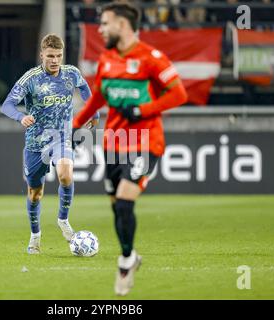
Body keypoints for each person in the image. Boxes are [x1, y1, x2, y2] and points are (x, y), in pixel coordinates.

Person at [72, 2, 188, 296]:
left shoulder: (151, 58)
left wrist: (143, 109)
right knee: (116, 207)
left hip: (146, 142)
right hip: (113, 143)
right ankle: (130, 255)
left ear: (122, 25)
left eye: (105, 23)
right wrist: (74, 126)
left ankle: (124, 264)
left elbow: (178, 93)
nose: (100, 29)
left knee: (124, 201)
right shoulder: (107, 59)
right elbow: (97, 98)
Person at [1, 34, 100, 254]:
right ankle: (35, 236)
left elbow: (84, 88)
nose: (55, 60)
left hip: (61, 137)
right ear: (42, 55)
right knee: (35, 193)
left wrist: (93, 111)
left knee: (66, 174)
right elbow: (7, 104)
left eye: (58, 56)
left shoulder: (71, 73)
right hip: (36, 143)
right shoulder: (30, 79)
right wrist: (20, 117)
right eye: (50, 56)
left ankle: (63, 220)